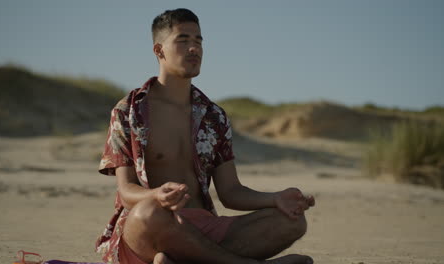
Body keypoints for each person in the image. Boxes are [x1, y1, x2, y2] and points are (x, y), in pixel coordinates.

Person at [95, 8, 315, 264]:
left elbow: (231, 192)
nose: (193, 48)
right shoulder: (128, 111)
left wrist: (275, 198)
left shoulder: (214, 116)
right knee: (150, 212)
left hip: (206, 230)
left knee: (292, 221)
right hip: (149, 227)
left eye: (198, 41)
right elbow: (126, 191)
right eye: (183, 40)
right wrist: (155, 195)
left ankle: (183, 259)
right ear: (159, 50)